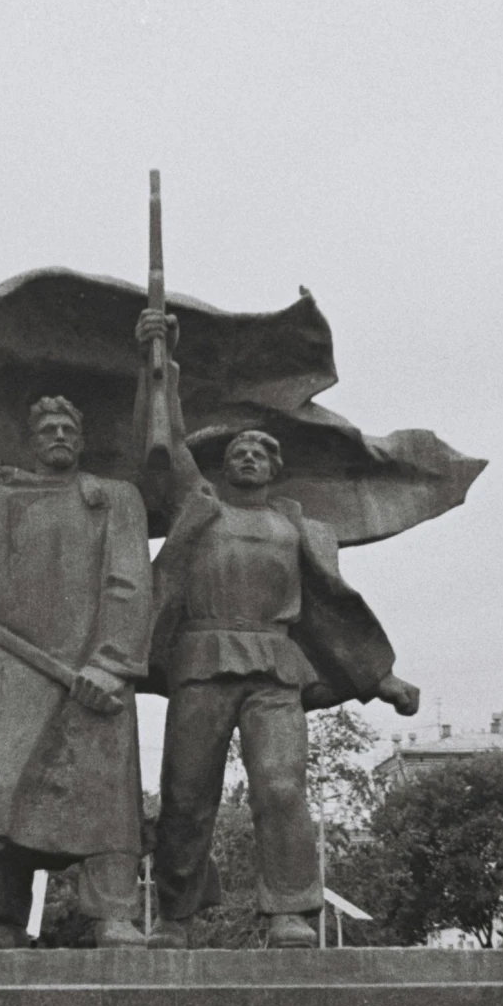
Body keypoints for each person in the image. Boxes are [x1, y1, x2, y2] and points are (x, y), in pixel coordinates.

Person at [137, 312, 421, 949]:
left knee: (283, 786)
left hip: (274, 666)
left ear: (275, 470)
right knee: (187, 796)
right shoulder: (197, 507)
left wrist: (382, 677)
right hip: (203, 660)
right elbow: (168, 440)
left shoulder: (300, 530)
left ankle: (290, 910)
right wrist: (161, 362)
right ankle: (178, 916)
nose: (248, 457)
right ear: (224, 466)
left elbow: (334, 612)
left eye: (261, 453)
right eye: (238, 451)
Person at [0, 396, 153, 948]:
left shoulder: (115, 499)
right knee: (5, 792)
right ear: (32, 442)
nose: (58, 434)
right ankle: (4, 917)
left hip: (94, 674)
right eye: (47, 428)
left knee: (103, 796)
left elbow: (131, 584)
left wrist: (112, 664)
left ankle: (114, 914)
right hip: (14, 675)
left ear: (81, 440)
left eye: (67, 427)